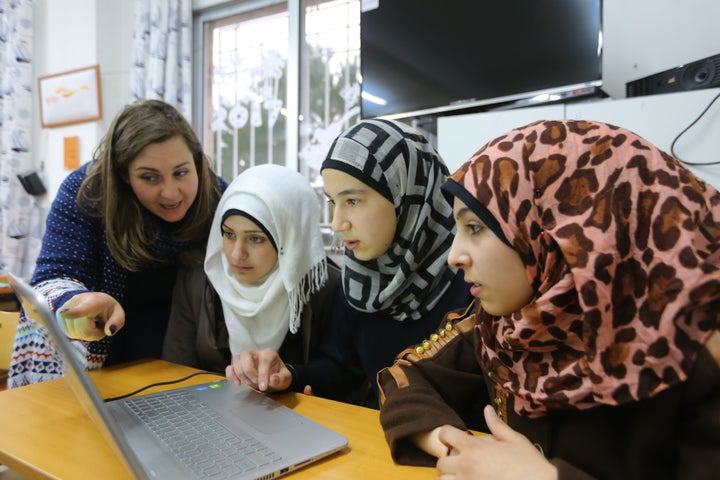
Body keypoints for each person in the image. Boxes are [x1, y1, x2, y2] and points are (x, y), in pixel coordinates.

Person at [377, 119, 720, 479]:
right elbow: (406, 375)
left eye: (475, 228)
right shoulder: (504, 325)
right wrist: (457, 448)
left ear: (567, 230)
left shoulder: (697, 350)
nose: (454, 256)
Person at [225, 118, 473, 408]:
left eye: (352, 201)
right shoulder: (360, 279)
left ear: (405, 194)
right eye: (333, 202)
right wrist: (288, 374)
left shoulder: (473, 279)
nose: (337, 223)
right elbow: (340, 368)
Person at [8, 99, 226, 388]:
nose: (171, 193)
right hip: (99, 364)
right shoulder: (86, 192)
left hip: (186, 366)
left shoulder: (220, 199)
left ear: (198, 161)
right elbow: (52, 279)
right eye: (149, 177)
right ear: (124, 174)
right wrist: (77, 302)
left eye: (182, 172)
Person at [161, 164, 341, 374]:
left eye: (255, 239)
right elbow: (175, 371)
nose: (237, 254)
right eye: (229, 234)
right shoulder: (197, 280)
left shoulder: (325, 288)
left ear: (288, 240)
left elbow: (339, 381)